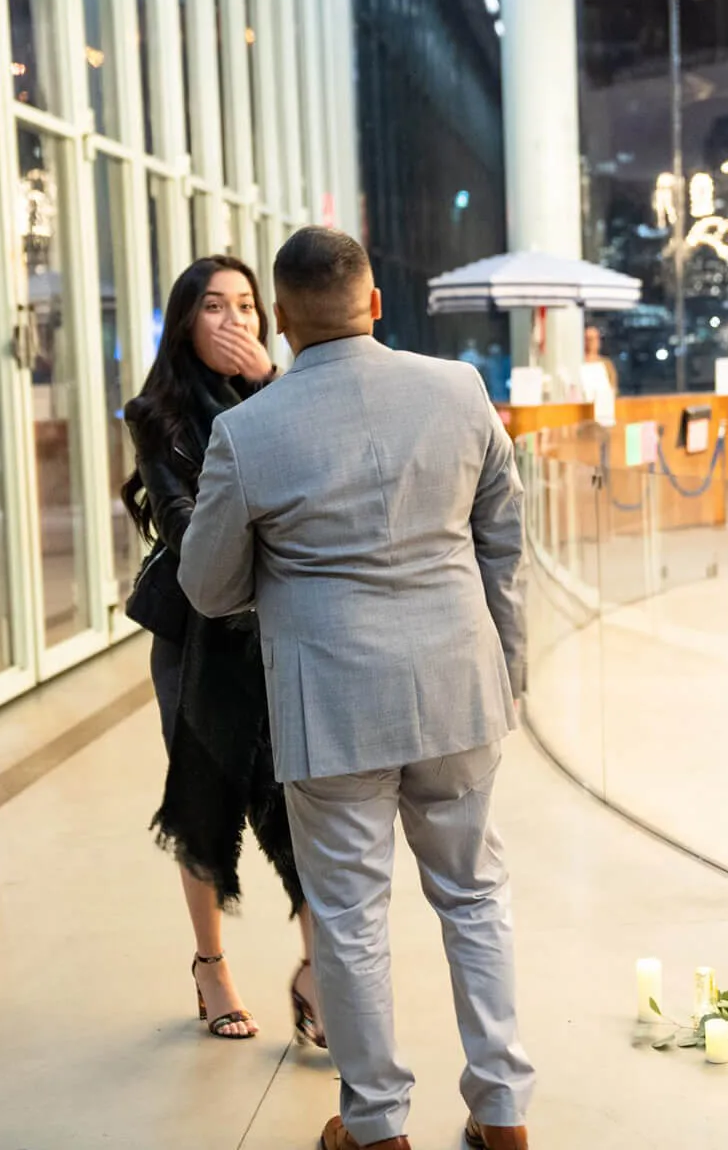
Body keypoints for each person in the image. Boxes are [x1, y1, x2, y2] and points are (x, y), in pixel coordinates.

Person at [180, 227, 534, 1150]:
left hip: (331, 709)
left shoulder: (247, 431)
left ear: (284, 321)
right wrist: (510, 671)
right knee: (475, 898)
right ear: (377, 304)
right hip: (459, 690)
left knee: (348, 918)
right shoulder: (459, 392)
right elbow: (504, 539)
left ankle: (376, 1129)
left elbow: (209, 587)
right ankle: (502, 1116)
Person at [120, 255, 324, 1047]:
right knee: (205, 795)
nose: (235, 320)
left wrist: (272, 382)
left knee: (297, 798)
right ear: (185, 322)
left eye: (247, 304)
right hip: (199, 638)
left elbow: (318, 477)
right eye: (215, 306)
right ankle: (211, 964)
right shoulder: (155, 414)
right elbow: (187, 528)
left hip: (279, 629)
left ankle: (317, 969)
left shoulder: (286, 395)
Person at [584, 323, 619, 398]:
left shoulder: (607, 364)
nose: (591, 343)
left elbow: (614, 389)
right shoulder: (576, 364)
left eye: (594, 339)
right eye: (587, 339)